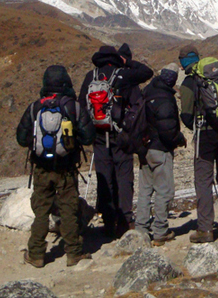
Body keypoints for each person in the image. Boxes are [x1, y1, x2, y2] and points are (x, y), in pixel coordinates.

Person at [16, 65, 96, 267]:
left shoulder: (35, 107)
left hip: (42, 167)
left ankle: (36, 254)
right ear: (66, 82)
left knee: (41, 211)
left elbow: (22, 138)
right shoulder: (73, 107)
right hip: (66, 168)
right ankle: (73, 253)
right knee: (69, 209)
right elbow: (88, 137)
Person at [78, 43, 153, 238]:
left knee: (105, 178)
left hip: (99, 136)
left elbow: (81, 107)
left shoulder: (90, 77)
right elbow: (146, 72)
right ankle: (126, 220)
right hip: (120, 135)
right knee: (124, 176)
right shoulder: (122, 74)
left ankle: (108, 221)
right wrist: (127, 62)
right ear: (115, 58)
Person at [178, 45, 218, 243]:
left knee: (203, 181)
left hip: (204, 137)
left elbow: (187, 116)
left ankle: (205, 229)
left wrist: (195, 124)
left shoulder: (189, 83)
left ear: (183, 63)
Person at [135, 68, 186, 245]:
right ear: (172, 80)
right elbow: (167, 129)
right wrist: (179, 138)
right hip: (160, 149)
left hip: (144, 149)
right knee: (164, 191)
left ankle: (140, 230)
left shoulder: (146, 92)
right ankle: (160, 231)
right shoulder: (165, 98)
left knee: (145, 191)